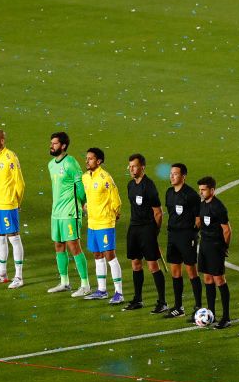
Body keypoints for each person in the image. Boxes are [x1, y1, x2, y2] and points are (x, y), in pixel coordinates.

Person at [46, 132, 90, 295]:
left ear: (63, 146)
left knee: (74, 246)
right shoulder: (51, 165)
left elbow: (80, 187)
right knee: (58, 245)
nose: (51, 146)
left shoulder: (71, 163)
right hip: (56, 213)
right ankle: (64, 282)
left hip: (70, 212)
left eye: (55, 143)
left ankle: (85, 285)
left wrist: (82, 204)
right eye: (51, 143)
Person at [124, 154, 166, 312]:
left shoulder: (149, 186)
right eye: (130, 166)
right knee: (135, 264)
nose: (131, 169)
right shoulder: (130, 185)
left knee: (152, 265)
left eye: (134, 166)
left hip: (147, 228)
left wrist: (154, 232)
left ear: (142, 167)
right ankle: (138, 299)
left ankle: (162, 302)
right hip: (134, 228)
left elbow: (158, 212)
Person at [81, 147, 124, 302]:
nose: (87, 161)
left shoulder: (105, 178)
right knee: (97, 255)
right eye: (87, 158)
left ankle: (119, 293)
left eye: (90, 158)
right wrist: (86, 205)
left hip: (105, 222)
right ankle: (102, 290)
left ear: (98, 161)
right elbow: (90, 196)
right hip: (92, 222)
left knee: (109, 256)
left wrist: (113, 214)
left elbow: (116, 200)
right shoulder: (85, 177)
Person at [0, 129, 25, 288]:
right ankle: (2, 274)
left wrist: (17, 202)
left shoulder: (10, 157)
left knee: (14, 238)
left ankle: (19, 277)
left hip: (8, 204)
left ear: (2, 141)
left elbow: (20, 183)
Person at [163, 163, 202, 319]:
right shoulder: (169, 193)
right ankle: (178, 306)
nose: (172, 176)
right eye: (171, 173)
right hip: (173, 235)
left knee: (191, 270)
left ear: (183, 177)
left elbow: (198, 219)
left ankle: (198, 306)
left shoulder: (191, 195)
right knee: (175, 271)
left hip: (187, 236)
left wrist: (192, 233)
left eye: (175, 174)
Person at [198, 177, 232, 328]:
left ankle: (226, 317)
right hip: (204, 245)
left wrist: (224, 247)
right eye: (200, 189)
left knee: (219, 280)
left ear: (212, 190)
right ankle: (210, 314)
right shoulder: (202, 204)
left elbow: (227, 230)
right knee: (207, 279)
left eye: (203, 190)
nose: (201, 192)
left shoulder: (219, 207)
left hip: (215, 246)